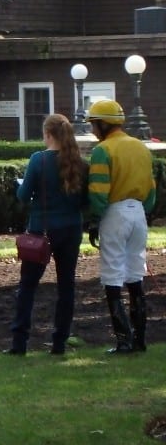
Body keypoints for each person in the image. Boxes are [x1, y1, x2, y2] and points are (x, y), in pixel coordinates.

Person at [6, 113, 88, 356]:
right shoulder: (81, 164)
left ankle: (19, 343)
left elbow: (23, 196)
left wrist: (18, 186)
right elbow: (85, 201)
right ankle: (59, 343)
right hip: (71, 228)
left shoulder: (38, 160)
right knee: (66, 286)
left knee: (28, 286)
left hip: (41, 229)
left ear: (48, 135)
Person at [86, 99, 156, 354]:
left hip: (115, 213)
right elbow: (151, 189)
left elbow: (98, 192)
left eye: (94, 124)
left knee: (112, 275)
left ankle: (123, 340)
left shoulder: (103, 150)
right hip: (138, 211)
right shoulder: (141, 147)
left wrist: (94, 219)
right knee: (136, 274)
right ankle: (140, 339)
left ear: (103, 124)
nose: (93, 130)